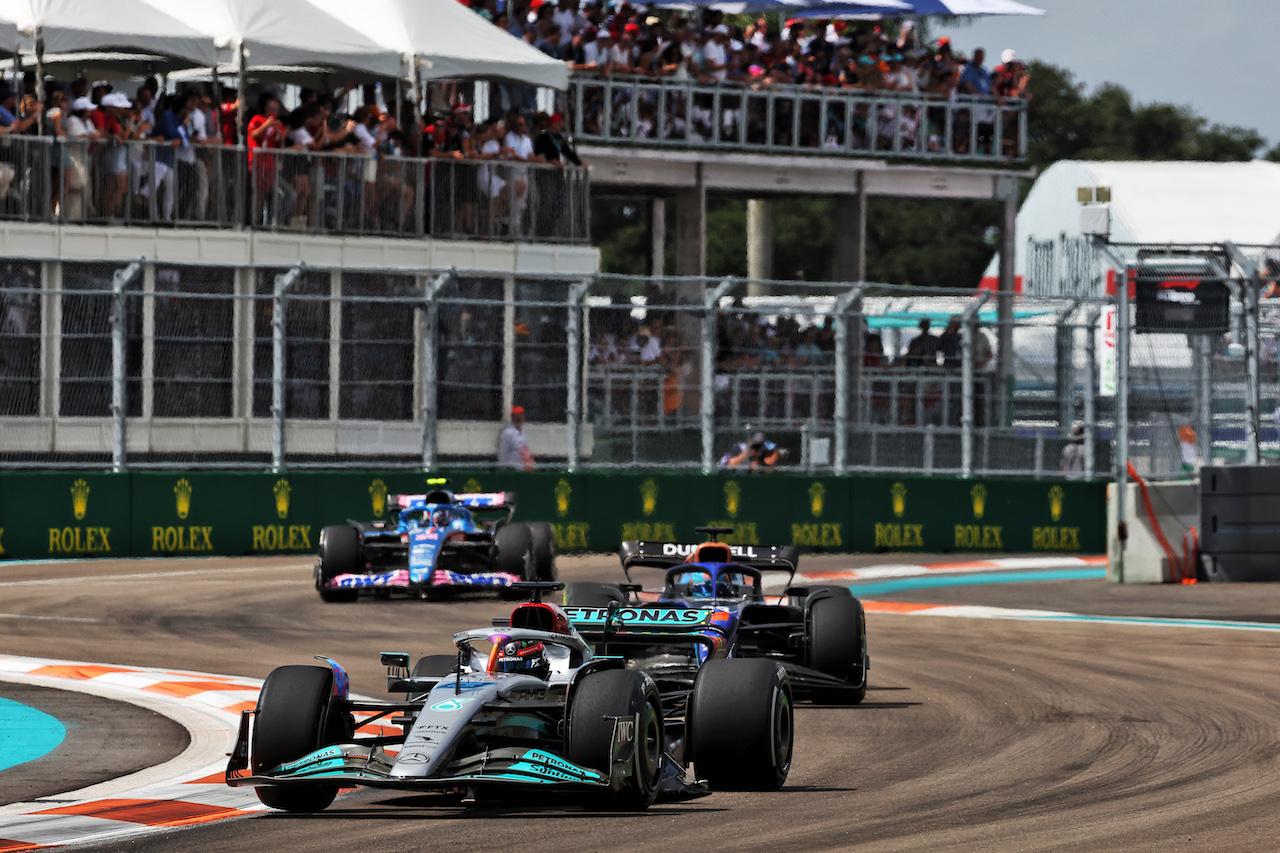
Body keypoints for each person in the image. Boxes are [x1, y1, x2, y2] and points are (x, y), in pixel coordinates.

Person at [498, 405, 535, 469]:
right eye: (517, 417)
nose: (519, 419)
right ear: (513, 417)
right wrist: (504, 468)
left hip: (522, 468)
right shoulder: (507, 432)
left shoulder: (522, 433)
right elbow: (503, 453)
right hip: (511, 469)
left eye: (521, 416)